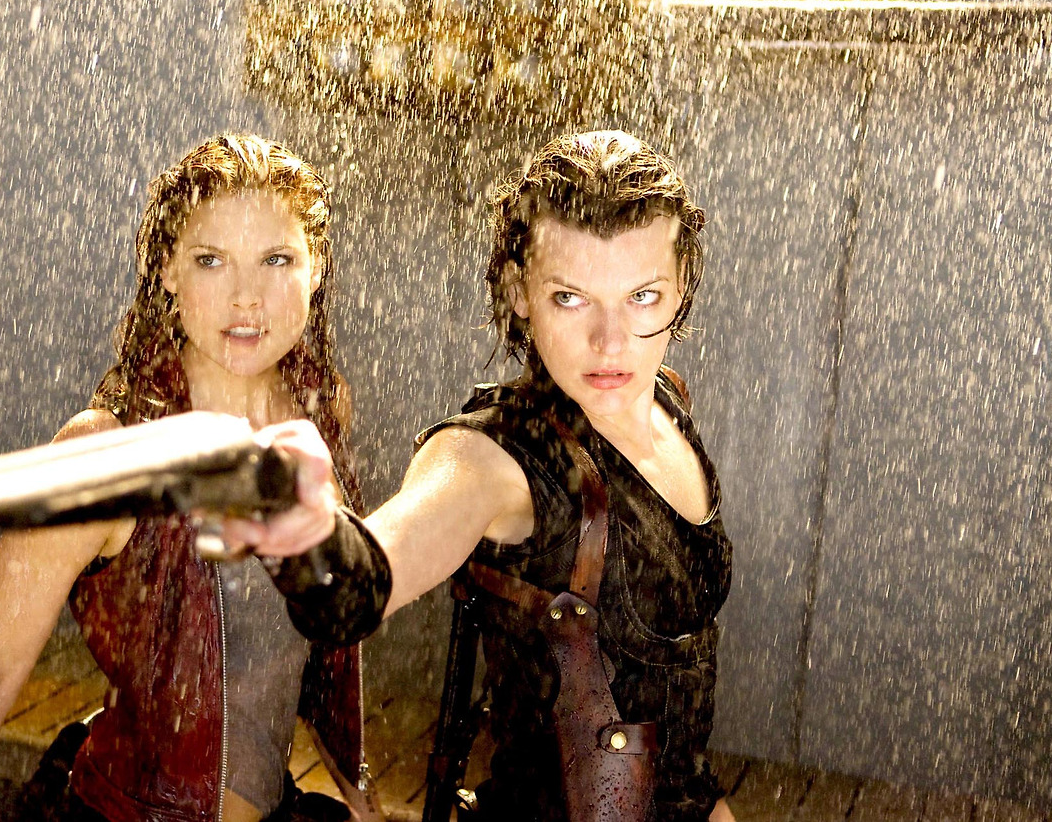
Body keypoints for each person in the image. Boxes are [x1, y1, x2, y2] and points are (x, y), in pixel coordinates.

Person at [227, 131, 736, 822]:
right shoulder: (491, 459)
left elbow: (677, 722)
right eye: (571, 298)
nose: (610, 341)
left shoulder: (667, 401)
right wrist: (294, 516)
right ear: (521, 292)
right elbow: (353, 589)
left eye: (642, 297)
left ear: (680, 288)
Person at [0, 134, 378, 822]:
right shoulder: (103, 451)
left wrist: (361, 799)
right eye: (210, 260)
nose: (247, 297)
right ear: (169, 273)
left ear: (317, 266)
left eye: (276, 259)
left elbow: (319, 655)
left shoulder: (318, 416)